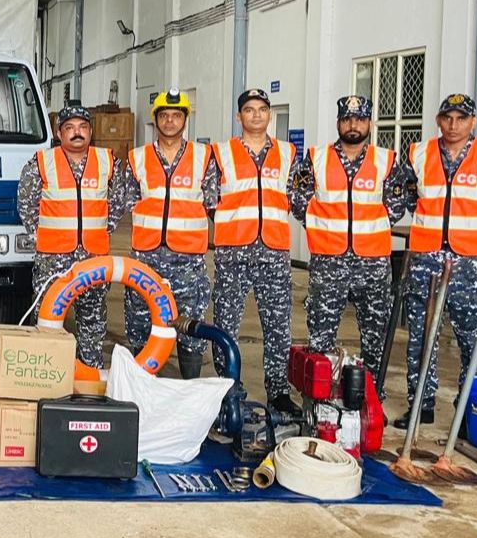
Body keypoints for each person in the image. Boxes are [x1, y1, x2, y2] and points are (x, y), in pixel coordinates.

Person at [393, 94, 477, 428]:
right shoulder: (419, 153)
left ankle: (469, 412)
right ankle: (421, 404)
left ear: (472, 122)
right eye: (447, 118)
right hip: (426, 263)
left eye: (461, 118)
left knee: (472, 340)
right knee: (421, 339)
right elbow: (407, 195)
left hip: (471, 265)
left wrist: (474, 232)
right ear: (438, 120)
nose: (453, 125)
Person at [289, 96, 407, 397]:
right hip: (329, 261)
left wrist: (371, 225)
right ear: (339, 122)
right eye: (347, 119)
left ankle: (371, 396)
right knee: (321, 333)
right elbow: (297, 197)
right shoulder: (316, 158)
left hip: (373, 262)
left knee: (375, 336)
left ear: (369, 122)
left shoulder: (387, 160)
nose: (353, 125)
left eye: (359, 119)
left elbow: (398, 202)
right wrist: (320, 224)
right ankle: (320, 397)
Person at [17, 103, 129, 376]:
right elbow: (26, 204)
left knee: (92, 321)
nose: (76, 133)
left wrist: (102, 229)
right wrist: (41, 235)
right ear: (59, 132)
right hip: (53, 259)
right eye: (70, 128)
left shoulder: (108, 162)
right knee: (47, 318)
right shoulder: (42, 162)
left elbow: (118, 201)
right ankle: (45, 377)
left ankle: (88, 378)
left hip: (93, 257)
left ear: (91, 131)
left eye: (82, 127)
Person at [211, 88, 300, 415]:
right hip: (233, 253)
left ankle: (278, 391)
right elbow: (209, 200)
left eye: (263, 109)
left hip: (274, 252)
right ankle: (227, 389)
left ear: (270, 114)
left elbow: (297, 196)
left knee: (278, 326)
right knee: (226, 324)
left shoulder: (288, 153)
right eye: (249, 110)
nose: (257, 115)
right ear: (239, 117)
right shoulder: (221, 154)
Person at [122, 90, 217, 378]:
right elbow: (121, 201)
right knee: (141, 327)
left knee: (190, 330)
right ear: (156, 120)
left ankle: (189, 392)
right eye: (164, 116)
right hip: (146, 259)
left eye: (177, 116)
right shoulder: (137, 158)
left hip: (187, 262)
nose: (170, 121)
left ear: (185, 120)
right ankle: (143, 392)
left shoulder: (204, 157)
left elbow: (216, 204)